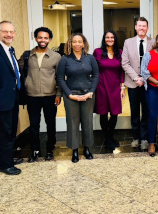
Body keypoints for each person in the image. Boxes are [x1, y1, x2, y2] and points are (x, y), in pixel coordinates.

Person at [19, 27, 62, 162]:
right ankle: (35, 151)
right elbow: (18, 72)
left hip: (50, 95)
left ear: (49, 40)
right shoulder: (27, 55)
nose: (42, 40)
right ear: (36, 38)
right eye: (40, 37)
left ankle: (50, 149)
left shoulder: (56, 57)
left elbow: (60, 77)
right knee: (34, 125)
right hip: (32, 96)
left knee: (50, 123)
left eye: (45, 38)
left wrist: (58, 94)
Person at [57, 33, 99, 163]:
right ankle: (74, 150)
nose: (77, 44)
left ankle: (87, 149)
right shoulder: (65, 59)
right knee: (73, 123)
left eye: (79, 41)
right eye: (74, 41)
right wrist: (69, 94)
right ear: (70, 43)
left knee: (87, 122)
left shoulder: (90, 58)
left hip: (88, 95)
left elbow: (96, 76)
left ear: (84, 43)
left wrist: (91, 92)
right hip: (71, 96)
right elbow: (60, 79)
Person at [0, 21, 24, 175]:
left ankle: (4, 159)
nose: (9, 35)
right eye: (5, 31)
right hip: (1, 100)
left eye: (12, 32)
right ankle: (6, 165)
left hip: (13, 97)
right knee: (5, 132)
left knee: (10, 130)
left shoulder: (10, 50)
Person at [122, 17, 154, 150]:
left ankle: (145, 137)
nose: (141, 28)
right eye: (139, 26)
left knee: (146, 111)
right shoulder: (128, 42)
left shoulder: (153, 43)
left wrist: (145, 78)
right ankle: (136, 137)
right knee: (134, 111)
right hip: (133, 83)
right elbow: (125, 63)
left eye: (144, 26)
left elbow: (155, 63)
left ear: (147, 28)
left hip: (148, 84)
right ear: (135, 27)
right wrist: (136, 78)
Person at [93, 30, 125, 151]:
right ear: (104, 39)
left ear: (115, 39)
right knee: (103, 113)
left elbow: (122, 71)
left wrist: (122, 87)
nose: (110, 39)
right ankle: (107, 139)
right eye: (107, 37)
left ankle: (110, 136)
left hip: (115, 87)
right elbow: (93, 69)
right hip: (101, 86)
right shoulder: (98, 52)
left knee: (114, 113)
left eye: (112, 37)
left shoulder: (120, 52)